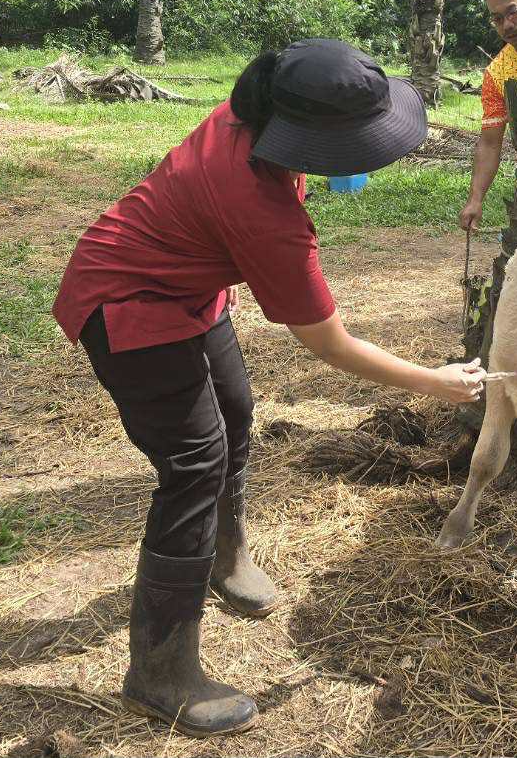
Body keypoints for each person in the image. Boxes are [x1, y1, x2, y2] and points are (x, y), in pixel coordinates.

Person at [52, 38, 485, 738]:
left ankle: (225, 561)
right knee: (193, 463)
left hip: (189, 287)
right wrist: (433, 382)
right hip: (126, 300)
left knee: (235, 410)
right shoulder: (262, 212)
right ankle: (159, 672)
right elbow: (329, 344)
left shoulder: (255, 117)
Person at [458, 0, 517, 232]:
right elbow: (490, 143)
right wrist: (475, 199)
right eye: (498, 19)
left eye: (514, 12)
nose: (507, 26)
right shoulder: (497, 73)